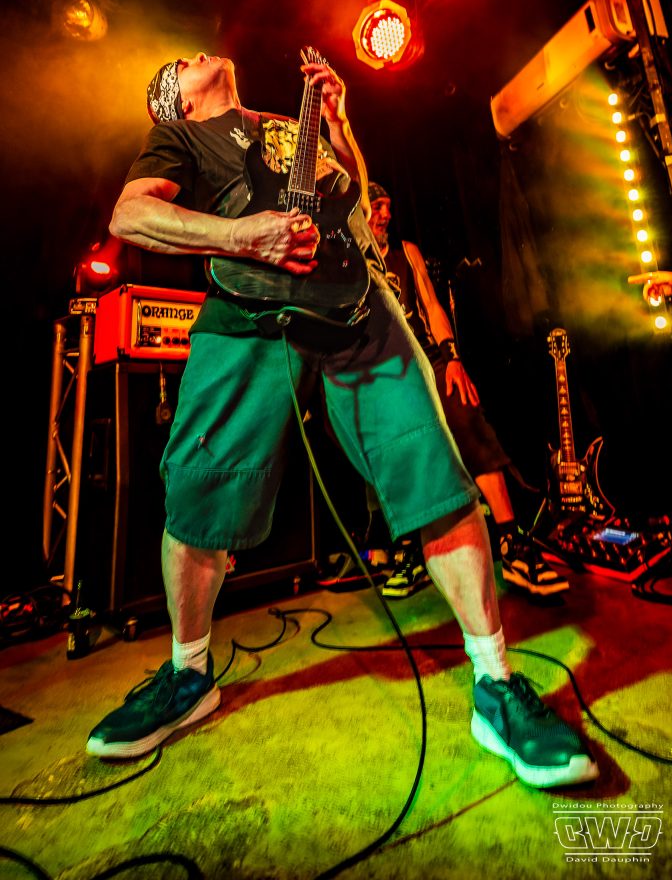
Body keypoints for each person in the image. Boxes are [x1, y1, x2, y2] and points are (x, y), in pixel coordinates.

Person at [85, 51, 597, 789]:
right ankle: (188, 675)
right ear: (176, 100)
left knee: (435, 471)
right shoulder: (180, 136)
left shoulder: (282, 122)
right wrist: (242, 236)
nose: (197, 54)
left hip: (355, 302)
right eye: (182, 63)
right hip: (248, 310)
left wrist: (340, 123)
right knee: (200, 489)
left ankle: (494, 683)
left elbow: (351, 193)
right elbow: (130, 215)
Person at [367, 182, 568, 601]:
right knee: (398, 446)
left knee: (466, 412)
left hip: (429, 356)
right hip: (386, 369)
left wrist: (452, 356)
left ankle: (511, 542)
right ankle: (411, 549)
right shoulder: (350, 259)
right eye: (377, 207)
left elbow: (431, 305)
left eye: (388, 206)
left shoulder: (407, 252)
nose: (385, 215)